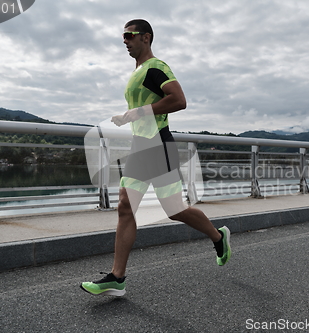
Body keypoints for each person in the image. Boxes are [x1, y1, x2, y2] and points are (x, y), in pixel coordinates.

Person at [81, 19, 231, 297]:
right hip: (141, 145)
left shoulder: (155, 67)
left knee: (174, 210)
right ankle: (117, 277)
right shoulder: (138, 72)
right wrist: (128, 116)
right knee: (126, 206)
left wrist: (135, 113)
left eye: (129, 36)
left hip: (158, 145)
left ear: (146, 37)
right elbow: (144, 109)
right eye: (123, 37)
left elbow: (178, 100)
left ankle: (218, 236)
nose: (124, 41)